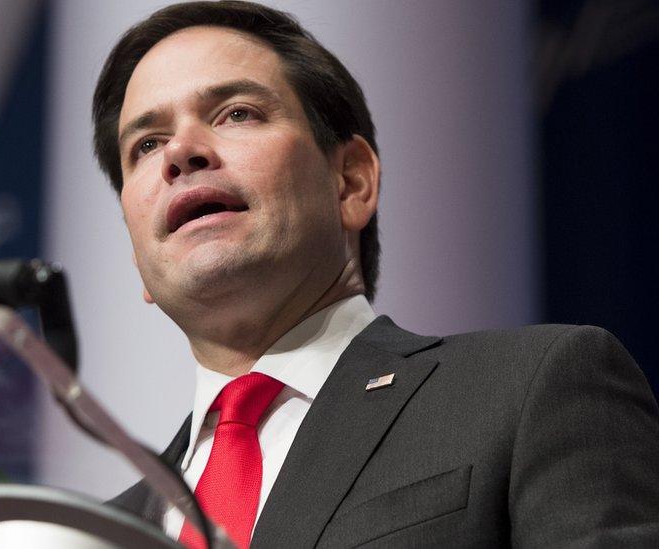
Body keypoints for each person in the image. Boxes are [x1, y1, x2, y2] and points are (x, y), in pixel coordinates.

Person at [90, 2, 659, 547]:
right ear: (137, 255)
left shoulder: (527, 389)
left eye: (236, 113)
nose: (181, 152)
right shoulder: (90, 535)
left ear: (352, 182)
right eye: (146, 144)